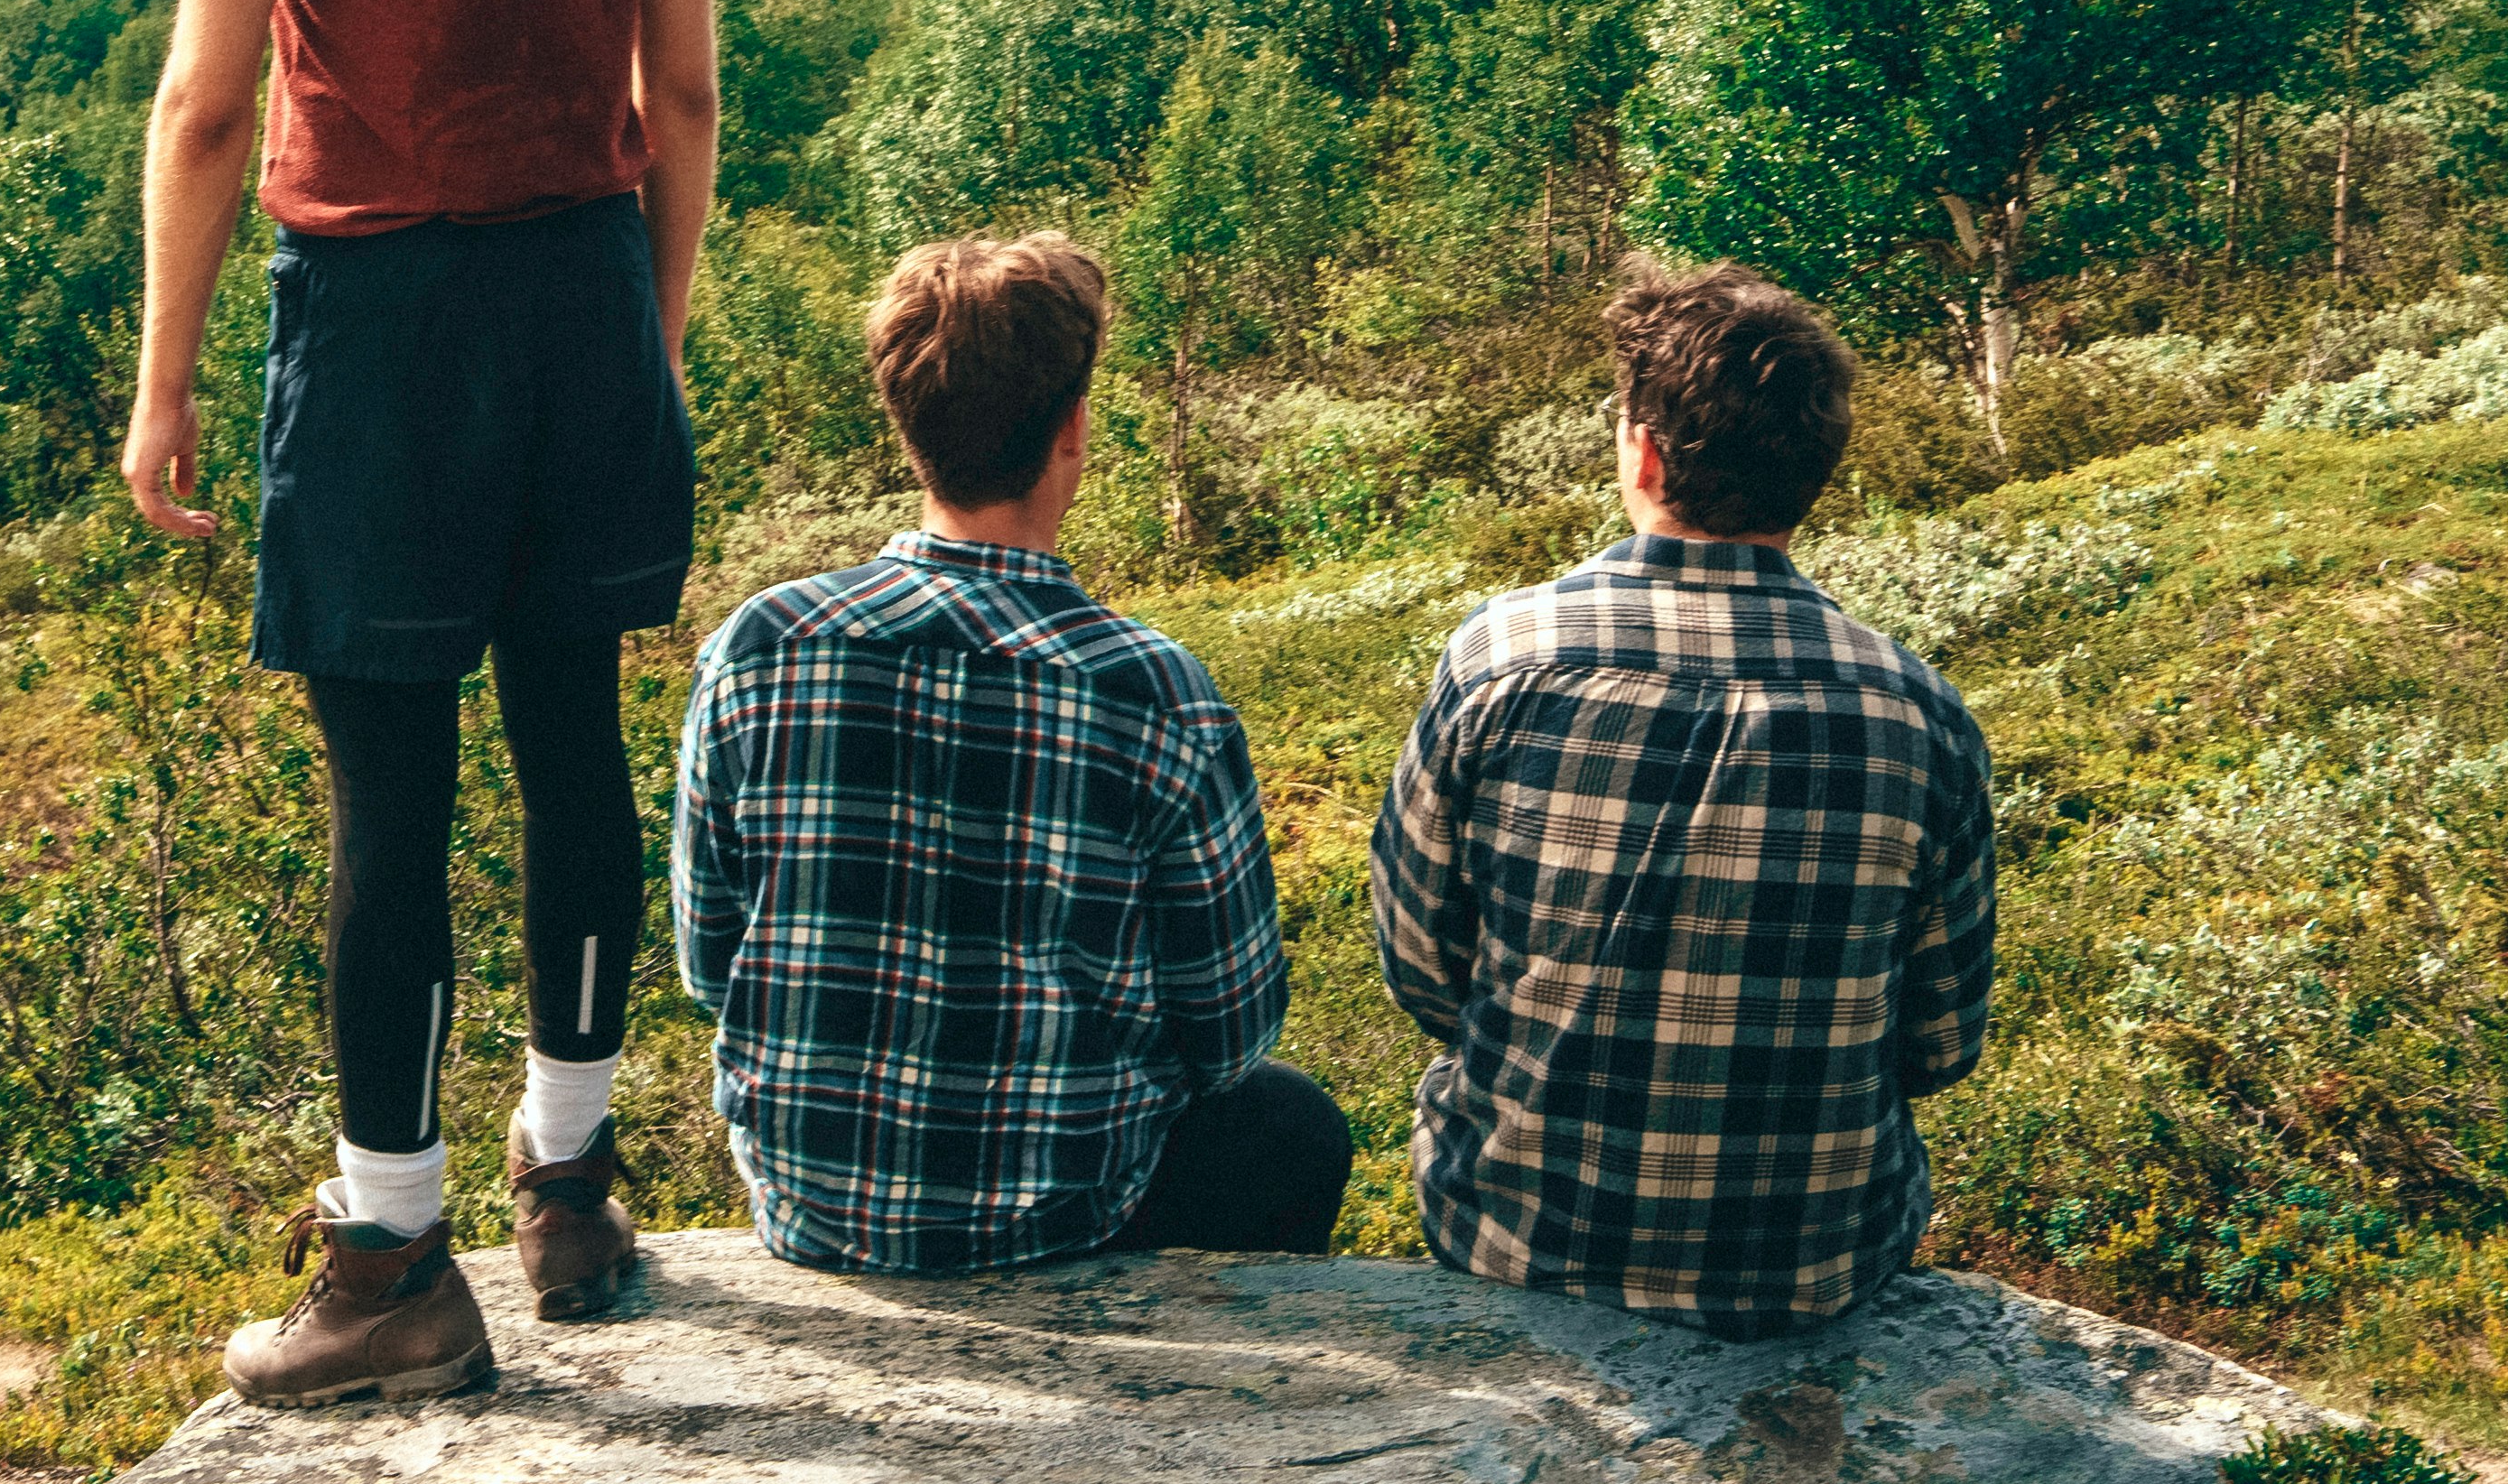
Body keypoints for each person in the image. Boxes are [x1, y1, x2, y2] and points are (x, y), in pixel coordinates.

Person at [126, 0, 736, 1408]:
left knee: (389, 793)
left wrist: (167, 376)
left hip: (377, 319)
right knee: (573, 743)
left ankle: (389, 1261)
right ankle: (570, 1190)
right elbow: (688, 92)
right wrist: (643, 336)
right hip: (581, 285)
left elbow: (208, 101)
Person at [673, 233, 1347, 1273]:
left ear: (904, 423)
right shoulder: (1151, 689)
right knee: (1293, 1123)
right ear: (1072, 430)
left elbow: (712, 967)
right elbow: (1233, 1030)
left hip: (813, 1210)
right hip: (1066, 1218)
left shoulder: (762, 646)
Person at [1370, 255, 1993, 1339]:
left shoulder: (1502, 660)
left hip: (1521, 1233)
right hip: (1816, 1261)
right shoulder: (1920, 714)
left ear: (1645, 452)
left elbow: (1421, 967)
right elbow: (1940, 1044)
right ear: (1817, 467)